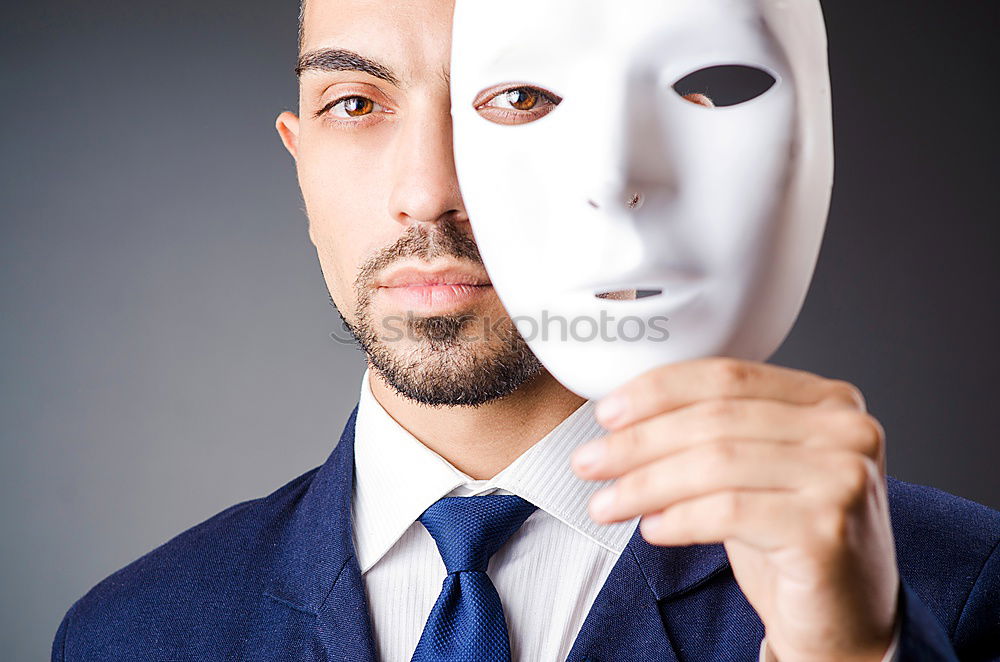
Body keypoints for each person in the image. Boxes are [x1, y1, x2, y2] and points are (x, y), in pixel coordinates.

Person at [52, 1, 1000, 661]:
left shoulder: (952, 591)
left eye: (514, 99)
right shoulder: (129, 633)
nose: (428, 191)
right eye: (354, 104)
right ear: (301, 163)